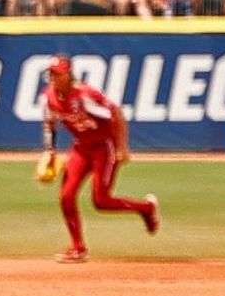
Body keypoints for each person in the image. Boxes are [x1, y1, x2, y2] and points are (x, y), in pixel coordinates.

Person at [32, 57, 158, 261]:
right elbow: (49, 123)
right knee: (66, 196)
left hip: (104, 147)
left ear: (68, 74)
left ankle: (146, 208)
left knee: (101, 200)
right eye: (51, 74)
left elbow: (115, 114)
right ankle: (78, 247)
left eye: (58, 74)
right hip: (81, 148)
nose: (53, 78)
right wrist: (50, 150)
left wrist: (122, 147)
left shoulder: (84, 96)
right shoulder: (48, 98)